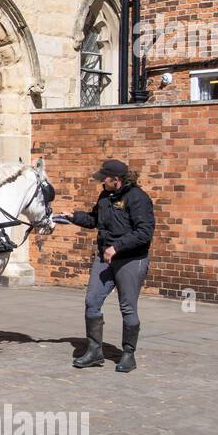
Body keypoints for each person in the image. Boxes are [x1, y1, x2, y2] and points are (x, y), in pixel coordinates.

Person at [65, 159, 155, 373]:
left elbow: (144, 232)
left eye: (104, 179)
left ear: (117, 179)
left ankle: (128, 354)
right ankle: (94, 352)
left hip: (131, 260)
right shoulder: (106, 196)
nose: (101, 182)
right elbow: (95, 219)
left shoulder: (138, 199)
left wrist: (117, 247)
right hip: (105, 259)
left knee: (127, 307)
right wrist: (74, 217)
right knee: (92, 301)